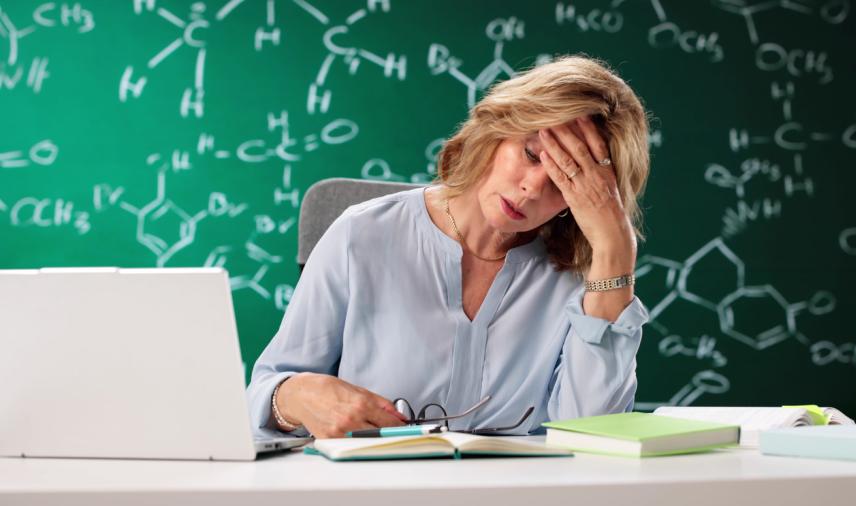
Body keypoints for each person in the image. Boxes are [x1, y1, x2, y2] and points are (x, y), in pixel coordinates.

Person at [247, 55, 652, 439]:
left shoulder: (588, 281)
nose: (533, 187)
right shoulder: (360, 234)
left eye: (567, 180)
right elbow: (260, 397)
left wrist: (616, 249)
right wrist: (297, 397)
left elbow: (595, 435)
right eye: (531, 154)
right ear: (498, 129)